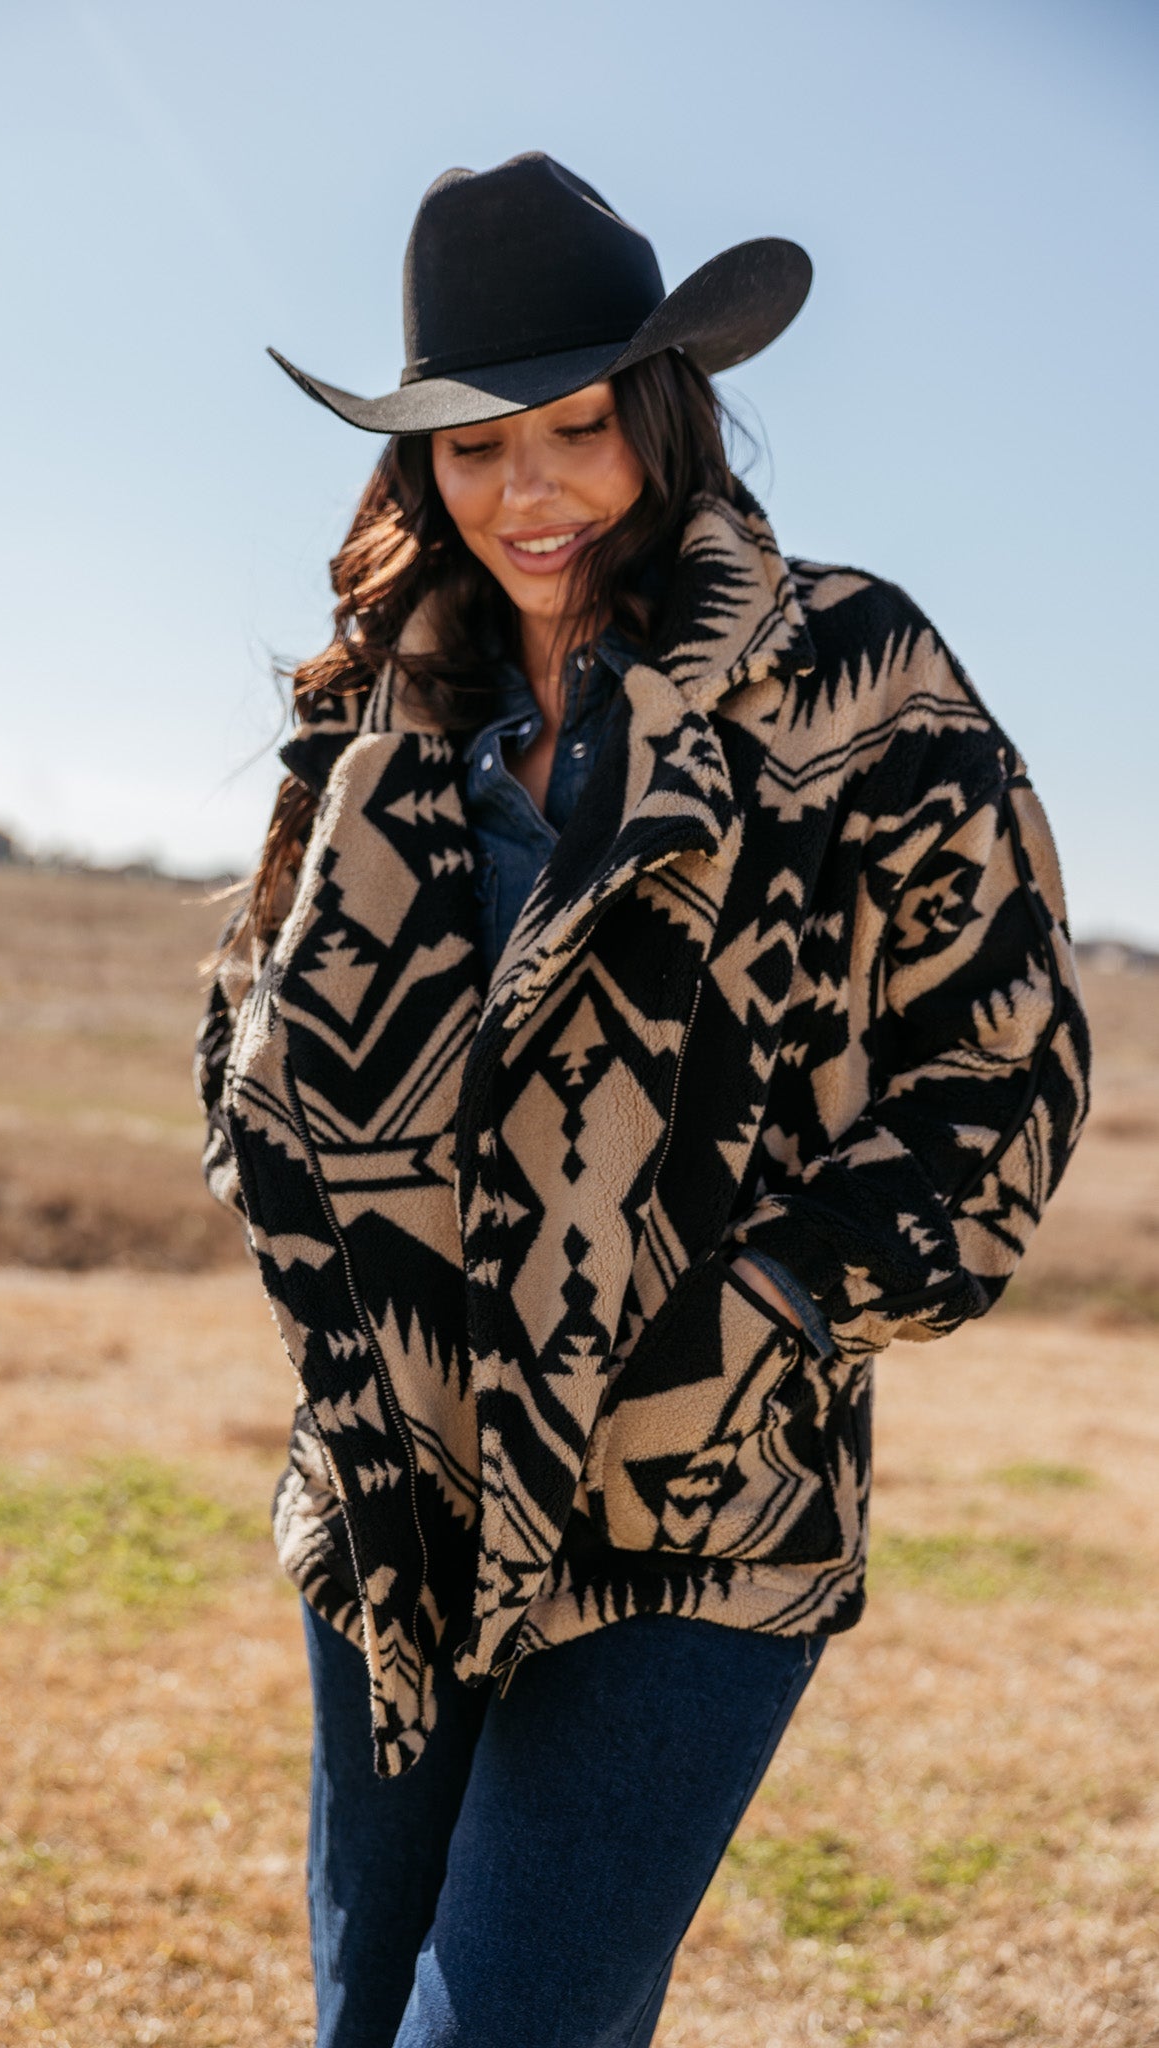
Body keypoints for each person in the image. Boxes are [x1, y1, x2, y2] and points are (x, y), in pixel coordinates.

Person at [196, 152, 1089, 2048]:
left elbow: (1005, 1052)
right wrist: (321, 1252)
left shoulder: (846, 672)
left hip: (695, 1496)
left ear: (662, 415)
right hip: (395, 1484)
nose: (527, 494)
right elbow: (252, 999)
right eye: (470, 448)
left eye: (577, 430)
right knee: (366, 2013)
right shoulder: (386, 698)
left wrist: (770, 1304)